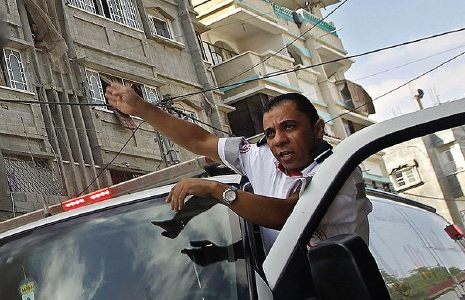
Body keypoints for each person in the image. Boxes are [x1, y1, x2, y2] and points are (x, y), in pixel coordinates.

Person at [104, 85, 370, 250]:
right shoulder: (261, 157)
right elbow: (200, 140)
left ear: (318, 129)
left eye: (289, 127)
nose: (278, 139)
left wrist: (218, 190)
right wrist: (140, 107)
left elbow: (287, 215)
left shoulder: (340, 172)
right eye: (270, 132)